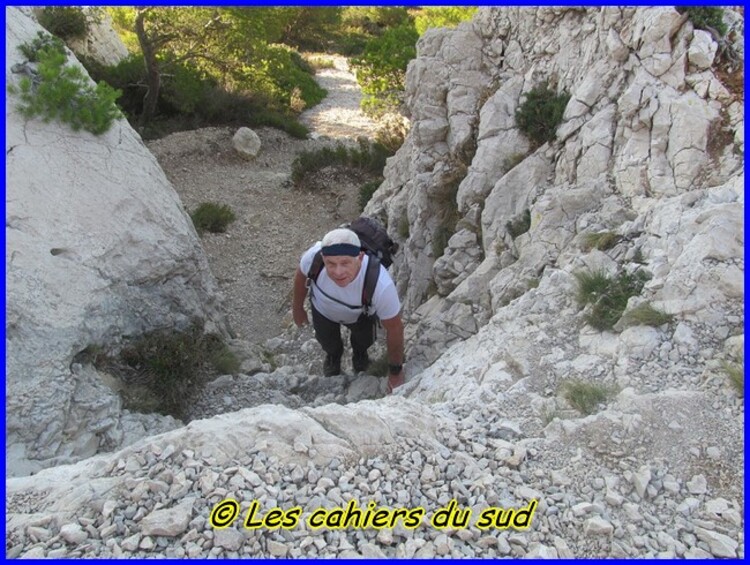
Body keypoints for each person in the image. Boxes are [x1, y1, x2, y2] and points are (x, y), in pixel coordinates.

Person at [292, 228, 405, 393]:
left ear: (359, 257)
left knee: (364, 341)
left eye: (345, 263)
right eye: (331, 263)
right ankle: (333, 358)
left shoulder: (380, 284)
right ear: (323, 258)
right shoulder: (313, 257)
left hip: (361, 316)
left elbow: (395, 328)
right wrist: (297, 308)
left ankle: (360, 356)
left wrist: (395, 371)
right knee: (328, 342)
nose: (338, 272)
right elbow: (301, 275)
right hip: (323, 312)